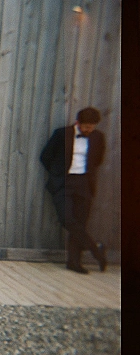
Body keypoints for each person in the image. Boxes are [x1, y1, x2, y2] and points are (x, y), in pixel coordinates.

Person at [40, 107, 107, 274]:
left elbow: (97, 160)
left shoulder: (98, 137)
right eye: (86, 127)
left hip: (84, 183)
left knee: (80, 222)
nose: (89, 130)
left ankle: (74, 262)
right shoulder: (62, 134)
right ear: (78, 123)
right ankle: (96, 249)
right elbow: (45, 156)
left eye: (92, 127)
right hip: (63, 182)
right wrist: (57, 173)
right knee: (67, 219)